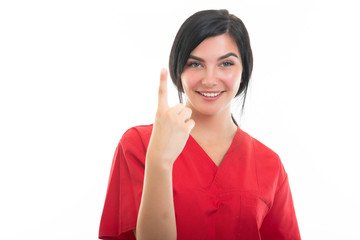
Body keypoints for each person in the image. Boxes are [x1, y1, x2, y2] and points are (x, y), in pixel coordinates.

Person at [98, 9, 301, 240]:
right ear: (178, 70)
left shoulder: (269, 165)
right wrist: (160, 163)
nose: (210, 79)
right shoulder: (138, 144)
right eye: (195, 64)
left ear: (243, 72)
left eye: (226, 63)